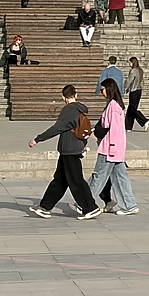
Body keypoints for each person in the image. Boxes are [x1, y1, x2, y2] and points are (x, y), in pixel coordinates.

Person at [27, 84, 102, 219]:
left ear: (63, 97)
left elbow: (57, 128)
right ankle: (45, 207)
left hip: (69, 149)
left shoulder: (69, 110)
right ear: (76, 95)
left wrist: (38, 139)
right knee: (60, 180)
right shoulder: (81, 110)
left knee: (76, 180)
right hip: (73, 148)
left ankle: (90, 208)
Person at [84, 78, 140, 216]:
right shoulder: (115, 105)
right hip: (115, 149)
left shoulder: (113, 107)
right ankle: (129, 205)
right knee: (120, 178)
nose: (101, 92)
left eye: (102, 89)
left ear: (109, 89)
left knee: (99, 176)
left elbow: (114, 129)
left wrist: (112, 147)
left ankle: (85, 203)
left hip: (110, 149)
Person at [124, 56, 149, 131]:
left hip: (134, 90)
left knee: (132, 108)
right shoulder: (140, 70)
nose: (129, 64)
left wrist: (124, 88)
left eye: (129, 62)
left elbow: (129, 81)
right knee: (130, 109)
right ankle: (128, 126)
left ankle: (144, 120)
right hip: (138, 90)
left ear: (132, 62)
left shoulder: (133, 71)